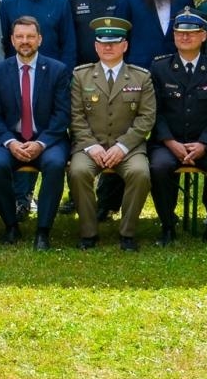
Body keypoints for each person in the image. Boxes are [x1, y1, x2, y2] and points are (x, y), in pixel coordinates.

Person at [147, 11, 207, 248]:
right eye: (180, 33)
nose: (185, 37)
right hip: (168, 143)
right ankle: (167, 225)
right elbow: (152, 111)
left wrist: (204, 144)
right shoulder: (159, 67)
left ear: (204, 36)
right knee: (158, 167)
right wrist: (169, 142)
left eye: (191, 33)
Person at [67, 17, 157, 250]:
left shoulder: (141, 77)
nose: (108, 47)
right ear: (96, 46)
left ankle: (127, 233)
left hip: (128, 148)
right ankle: (88, 232)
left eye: (114, 42)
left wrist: (123, 147)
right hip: (90, 146)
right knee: (77, 172)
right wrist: (90, 145)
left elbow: (146, 118)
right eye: (103, 42)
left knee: (140, 174)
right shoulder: (81, 76)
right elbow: (75, 116)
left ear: (124, 46)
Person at [0, 16, 72, 250]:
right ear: (12, 41)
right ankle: (11, 225)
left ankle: (43, 231)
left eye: (30, 36)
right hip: (10, 139)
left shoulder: (57, 70)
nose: (25, 41)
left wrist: (41, 144)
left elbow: (63, 114)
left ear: (39, 39)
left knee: (55, 165)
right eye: (20, 37)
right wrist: (10, 143)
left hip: (48, 139)